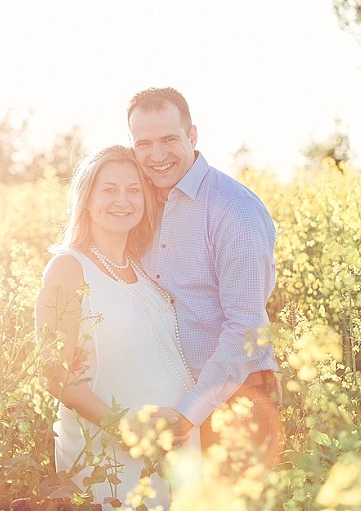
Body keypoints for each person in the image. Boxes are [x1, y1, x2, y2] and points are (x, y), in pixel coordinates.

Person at [36, 145, 200, 510]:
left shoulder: (145, 268)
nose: (122, 200)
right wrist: (123, 427)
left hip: (173, 447)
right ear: (87, 198)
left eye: (133, 190)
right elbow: (53, 372)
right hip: (110, 459)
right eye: (109, 189)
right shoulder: (69, 267)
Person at [126, 87, 281, 464]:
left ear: (192, 136)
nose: (157, 155)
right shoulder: (137, 203)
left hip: (238, 398)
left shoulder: (235, 210)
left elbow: (246, 328)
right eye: (144, 143)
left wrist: (188, 413)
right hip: (169, 401)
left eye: (169, 139)